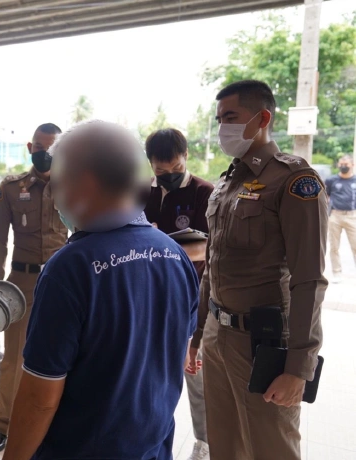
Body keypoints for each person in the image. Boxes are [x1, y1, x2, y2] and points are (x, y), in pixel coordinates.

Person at [2, 121, 199, 460]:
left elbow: (40, 398)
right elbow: (176, 356)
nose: (55, 197)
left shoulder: (69, 269)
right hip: (152, 449)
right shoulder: (174, 254)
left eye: (58, 185)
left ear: (85, 184)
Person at [190, 80, 328, 460]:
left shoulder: (294, 181)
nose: (223, 127)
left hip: (262, 343)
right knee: (224, 446)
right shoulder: (227, 181)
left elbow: (309, 281)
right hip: (217, 336)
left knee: (271, 448)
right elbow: (213, 266)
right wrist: (198, 332)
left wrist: (298, 367)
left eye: (231, 117)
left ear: (262, 118)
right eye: (219, 119)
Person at [0, 122, 67, 454]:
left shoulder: (72, 185)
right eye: (39, 147)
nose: (44, 153)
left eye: (51, 147)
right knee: (14, 357)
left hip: (63, 282)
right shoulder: (11, 188)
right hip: (22, 284)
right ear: (30, 148)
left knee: (62, 355)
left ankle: (55, 425)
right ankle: (4, 425)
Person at [143, 128, 213, 460]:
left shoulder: (203, 192)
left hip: (190, 297)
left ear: (186, 156)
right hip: (149, 294)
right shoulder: (142, 192)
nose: (168, 175)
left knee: (195, 371)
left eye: (175, 168)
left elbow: (205, 247)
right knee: (150, 373)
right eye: (161, 170)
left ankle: (205, 442)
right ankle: (151, 435)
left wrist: (156, 242)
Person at [325, 154, 356, 283]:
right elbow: (326, 197)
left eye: (346, 164)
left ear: (352, 165)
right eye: (341, 164)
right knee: (334, 246)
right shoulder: (331, 180)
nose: (343, 166)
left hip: (352, 216)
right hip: (335, 216)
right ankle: (336, 273)